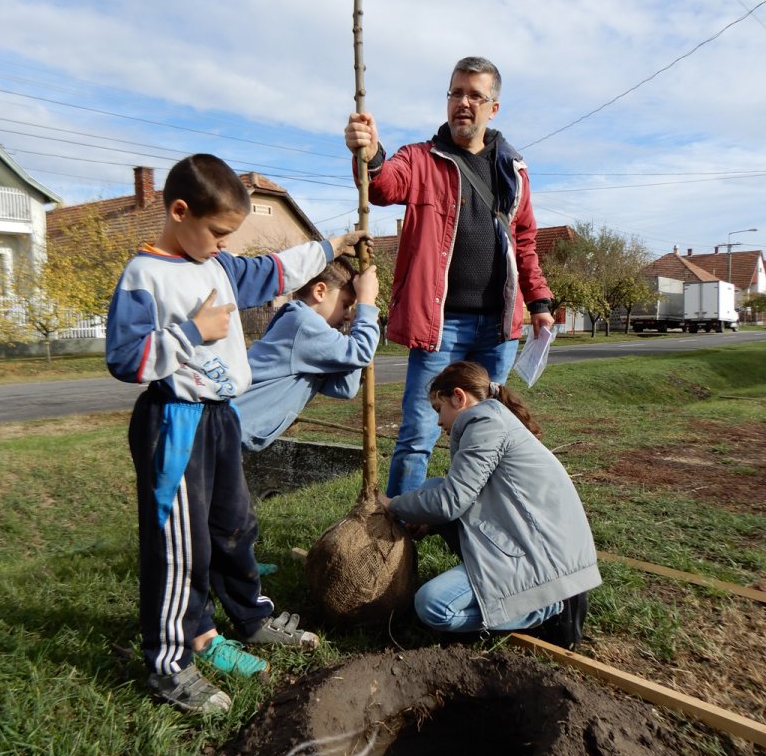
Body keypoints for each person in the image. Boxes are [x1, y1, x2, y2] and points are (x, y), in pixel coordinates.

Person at [106, 153, 370, 714]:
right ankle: (171, 661)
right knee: (181, 546)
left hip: (221, 416)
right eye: (218, 232)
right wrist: (192, 332)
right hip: (176, 422)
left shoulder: (217, 265)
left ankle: (249, 618)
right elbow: (125, 358)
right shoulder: (145, 275)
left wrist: (331, 247)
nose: (226, 244)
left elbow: (274, 270)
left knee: (234, 527)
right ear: (180, 212)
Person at [344, 56, 555, 497]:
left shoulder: (513, 170)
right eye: (456, 93)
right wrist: (370, 152)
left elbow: (525, 241)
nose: (464, 102)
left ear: (493, 108)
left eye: (475, 95)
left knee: (486, 436)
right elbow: (384, 184)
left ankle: (475, 524)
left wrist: (538, 301)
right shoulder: (421, 159)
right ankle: (399, 528)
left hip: (498, 329)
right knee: (418, 434)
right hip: (439, 328)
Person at [379, 361, 600, 647]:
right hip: (525, 539)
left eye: (438, 409)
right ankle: (510, 595)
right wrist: (429, 522)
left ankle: (545, 608)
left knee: (431, 605)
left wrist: (393, 504)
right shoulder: (488, 421)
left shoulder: (485, 424)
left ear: (459, 397)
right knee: (433, 485)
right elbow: (461, 496)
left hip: (545, 561)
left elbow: (450, 502)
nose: (438, 421)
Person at [237, 257, 380, 452]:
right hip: (221, 430)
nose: (348, 315)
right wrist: (367, 303)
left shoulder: (307, 331)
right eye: (345, 305)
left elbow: (344, 388)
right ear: (319, 292)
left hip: (229, 433)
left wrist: (357, 328)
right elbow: (360, 352)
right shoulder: (303, 322)